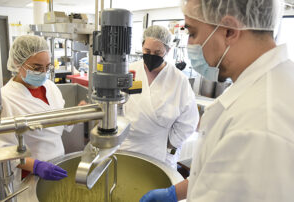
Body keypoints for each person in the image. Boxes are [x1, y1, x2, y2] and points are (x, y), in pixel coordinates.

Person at [140, 0, 294, 201]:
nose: (191, 45)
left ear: (229, 31)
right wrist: (175, 193)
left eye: (193, 33)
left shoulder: (262, 125)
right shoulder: (268, 85)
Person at [0, 35, 69, 187]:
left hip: (57, 163)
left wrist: (77, 114)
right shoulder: (4, 99)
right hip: (28, 175)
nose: (43, 73)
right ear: (18, 63)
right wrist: (36, 166)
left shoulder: (51, 87)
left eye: (47, 67)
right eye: (37, 68)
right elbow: (1, 150)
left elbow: (60, 121)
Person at [119, 25, 199, 169]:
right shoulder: (129, 71)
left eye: (158, 52)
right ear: (142, 47)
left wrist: (170, 144)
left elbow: (189, 121)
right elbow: (117, 104)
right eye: (147, 51)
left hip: (158, 150)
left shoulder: (178, 80)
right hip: (127, 144)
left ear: (167, 51)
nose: (151, 56)